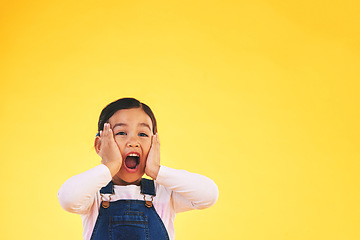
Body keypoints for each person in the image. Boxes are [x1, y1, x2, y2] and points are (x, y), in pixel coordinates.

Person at [58, 97, 219, 240]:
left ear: (154, 144)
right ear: (100, 145)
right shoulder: (93, 197)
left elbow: (208, 195)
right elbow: (67, 198)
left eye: (142, 134)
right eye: (121, 133)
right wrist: (110, 165)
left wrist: (157, 171)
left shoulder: (164, 194)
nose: (133, 142)